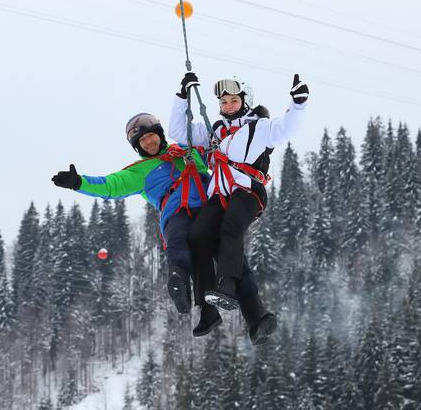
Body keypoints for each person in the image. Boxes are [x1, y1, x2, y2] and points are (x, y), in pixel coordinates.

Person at [51, 112, 276, 344]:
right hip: (177, 211)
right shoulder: (140, 171)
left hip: (210, 207)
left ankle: (256, 317)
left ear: (159, 135)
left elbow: (224, 150)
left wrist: (253, 125)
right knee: (180, 242)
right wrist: (78, 183)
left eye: (151, 137)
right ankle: (180, 279)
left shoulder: (187, 151)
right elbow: (111, 186)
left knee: (232, 257)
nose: (149, 143)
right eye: (142, 141)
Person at [169, 72, 309, 319]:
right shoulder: (216, 131)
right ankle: (207, 304)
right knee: (198, 234)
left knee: (231, 227)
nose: (228, 107)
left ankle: (228, 286)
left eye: (233, 101)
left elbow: (287, 128)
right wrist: (183, 96)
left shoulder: (259, 128)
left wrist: (298, 103)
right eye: (223, 103)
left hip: (248, 190)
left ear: (245, 100)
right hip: (220, 193)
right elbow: (178, 131)